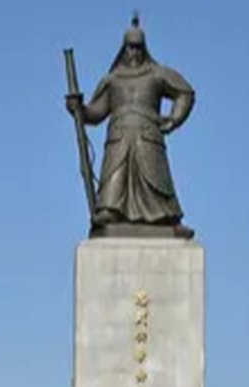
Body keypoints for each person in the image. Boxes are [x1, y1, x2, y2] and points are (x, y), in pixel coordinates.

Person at [66, 16, 195, 230]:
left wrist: (174, 119)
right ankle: (110, 210)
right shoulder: (113, 79)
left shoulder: (157, 74)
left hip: (148, 136)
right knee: (113, 185)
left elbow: (185, 92)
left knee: (156, 181)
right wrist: (79, 109)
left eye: (138, 48)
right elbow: (97, 112)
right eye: (130, 48)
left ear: (144, 48)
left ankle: (166, 217)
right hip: (118, 138)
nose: (134, 53)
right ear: (123, 48)